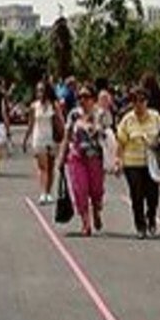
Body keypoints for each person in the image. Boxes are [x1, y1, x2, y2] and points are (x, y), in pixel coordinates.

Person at [114, 86, 160, 238]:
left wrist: (158, 147)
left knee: (152, 194)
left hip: (152, 163)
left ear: (147, 102)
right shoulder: (127, 120)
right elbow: (121, 142)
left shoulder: (155, 117)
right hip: (132, 162)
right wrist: (118, 160)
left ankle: (151, 217)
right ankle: (140, 225)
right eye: (135, 101)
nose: (138, 104)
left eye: (142, 101)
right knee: (136, 195)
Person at [63, 86, 109, 236]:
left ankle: (96, 210)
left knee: (96, 190)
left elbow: (109, 135)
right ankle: (85, 221)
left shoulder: (101, 114)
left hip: (96, 157)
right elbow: (67, 135)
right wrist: (62, 157)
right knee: (80, 189)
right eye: (80, 97)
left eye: (86, 96)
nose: (83, 100)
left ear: (93, 99)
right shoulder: (74, 114)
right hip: (76, 157)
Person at [27, 80, 63, 204]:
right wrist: (26, 138)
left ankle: (48, 192)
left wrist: (64, 136)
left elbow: (60, 121)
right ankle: (43, 192)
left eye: (42, 90)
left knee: (51, 167)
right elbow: (31, 123)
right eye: (38, 90)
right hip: (39, 138)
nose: (39, 93)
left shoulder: (54, 105)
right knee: (43, 167)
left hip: (52, 138)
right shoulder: (34, 106)